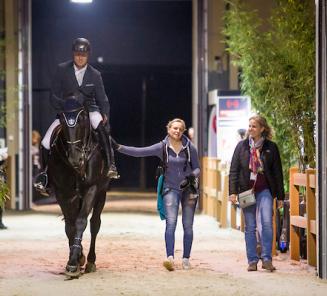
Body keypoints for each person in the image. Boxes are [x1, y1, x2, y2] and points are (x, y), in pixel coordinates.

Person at [113, 118, 200, 271]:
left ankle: (186, 258)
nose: (177, 131)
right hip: (170, 188)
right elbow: (140, 152)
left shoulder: (189, 147)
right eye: (174, 128)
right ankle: (170, 258)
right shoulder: (162, 147)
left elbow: (198, 168)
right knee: (171, 223)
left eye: (180, 129)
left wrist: (191, 178)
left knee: (188, 226)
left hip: (189, 189)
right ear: (168, 129)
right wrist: (119, 147)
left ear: (183, 131)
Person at [34, 38, 119, 194]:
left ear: (88, 55)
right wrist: (64, 106)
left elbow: (103, 98)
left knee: (103, 131)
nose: (80, 57)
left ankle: (110, 165)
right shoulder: (62, 69)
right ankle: (45, 175)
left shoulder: (95, 74)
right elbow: (53, 95)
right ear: (73, 54)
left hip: (90, 110)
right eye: (78, 54)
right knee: (46, 141)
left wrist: (104, 113)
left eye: (83, 54)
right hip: (68, 111)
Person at [228, 114, 284, 272]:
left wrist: (280, 196)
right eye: (249, 126)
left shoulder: (271, 147)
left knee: (266, 223)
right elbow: (234, 170)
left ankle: (267, 259)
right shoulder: (242, 146)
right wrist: (232, 192)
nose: (250, 129)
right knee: (250, 226)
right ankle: (252, 260)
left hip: (265, 189)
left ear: (262, 129)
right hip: (246, 191)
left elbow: (277, 173)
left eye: (254, 126)